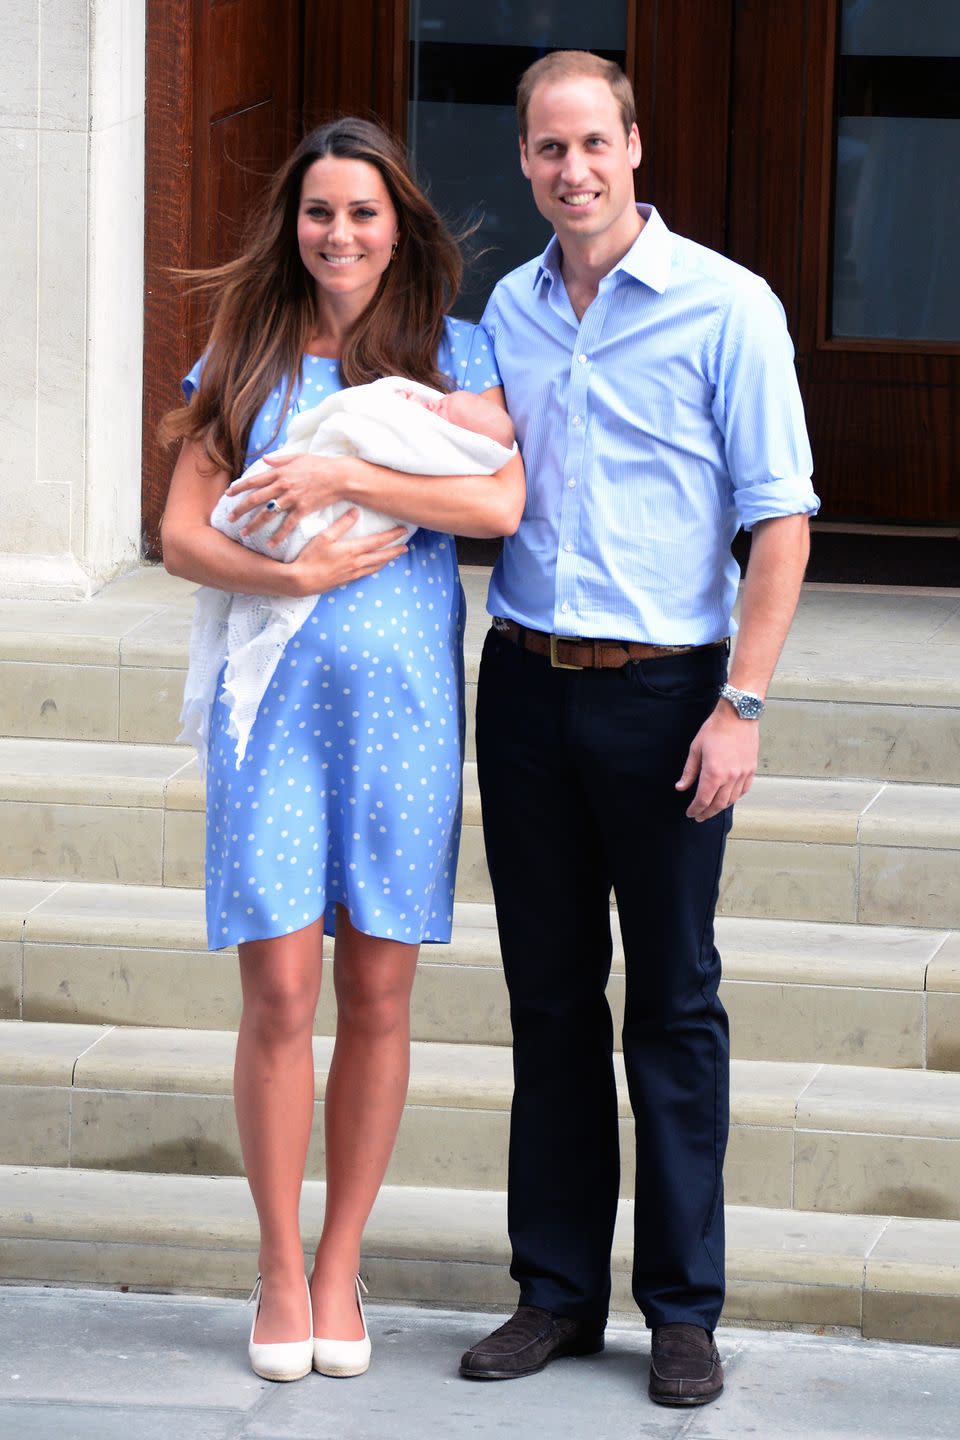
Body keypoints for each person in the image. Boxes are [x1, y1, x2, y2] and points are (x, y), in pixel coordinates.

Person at [460, 51, 818, 1408]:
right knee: (548, 1000)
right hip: (528, 686)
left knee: (671, 1005)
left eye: (593, 143)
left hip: (671, 696)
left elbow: (778, 518)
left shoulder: (728, 308)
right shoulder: (508, 306)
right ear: (526, 161)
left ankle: (680, 1309)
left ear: (635, 147)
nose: (573, 171)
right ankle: (554, 1292)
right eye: (548, 149)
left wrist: (743, 701)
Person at [160, 115, 523, 1383]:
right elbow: (180, 536)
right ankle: (273, 1262)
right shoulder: (246, 352)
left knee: (376, 992)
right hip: (274, 718)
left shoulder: (452, 353)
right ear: (294, 225)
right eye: (320, 212)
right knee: (279, 993)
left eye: (362, 213)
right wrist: (301, 559)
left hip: (403, 716)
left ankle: (337, 1263)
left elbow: (496, 502)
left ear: (399, 226)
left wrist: (335, 473)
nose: (340, 234)